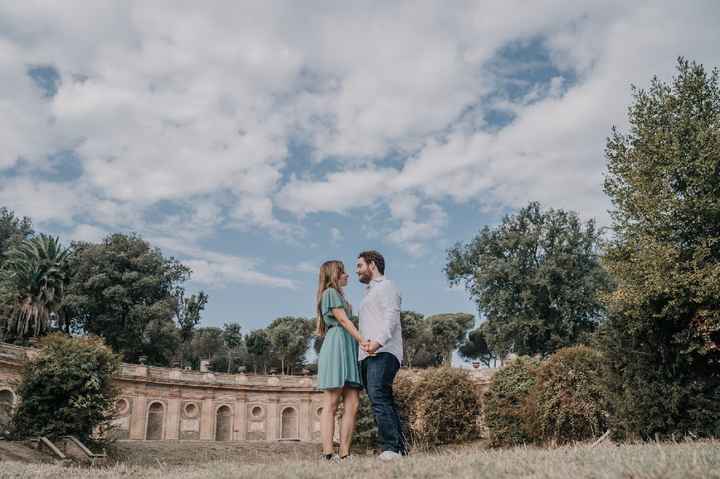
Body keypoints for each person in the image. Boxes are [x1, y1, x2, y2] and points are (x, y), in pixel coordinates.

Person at [356, 250, 407, 460]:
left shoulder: (387, 286)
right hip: (368, 355)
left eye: (360, 265)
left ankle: (390, 448)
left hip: (383, 351)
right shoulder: (368, 292)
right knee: (382, 398)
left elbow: (391, 317)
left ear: (373, 265)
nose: (357, 270)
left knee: (379, 396)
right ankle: (399, 448)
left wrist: (377, 343)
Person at [315, 260, 366, 462]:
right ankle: (328, 453)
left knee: (353, 402)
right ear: (334, 275)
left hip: (348, 347)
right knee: (332, 402)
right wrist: (363, 341)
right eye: (343, 272)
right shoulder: (330, 293)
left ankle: (345, 453)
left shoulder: (342, 297)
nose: (347, 275)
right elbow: (343, 321)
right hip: (336, 345)